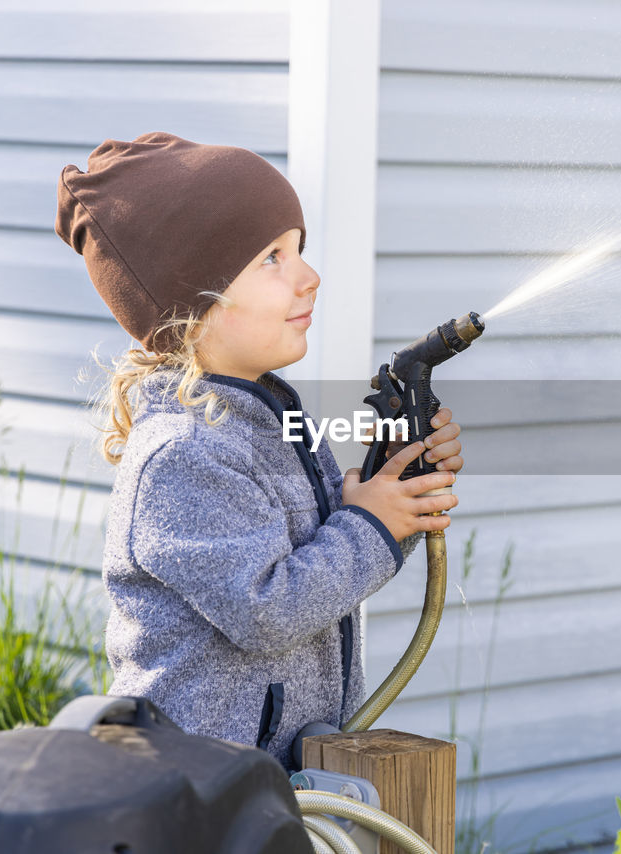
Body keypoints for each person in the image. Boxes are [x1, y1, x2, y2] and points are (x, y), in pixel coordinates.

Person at [54, 131, 464, 769]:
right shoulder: (184, 453)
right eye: (273, 257)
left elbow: (337, 552)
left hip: (271, 780)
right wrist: (371, 524)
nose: (309, 277)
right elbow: (268, 610)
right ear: (193, 305)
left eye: (299, 249)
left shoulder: (273, 414)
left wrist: (394, 486)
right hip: (199, 795)